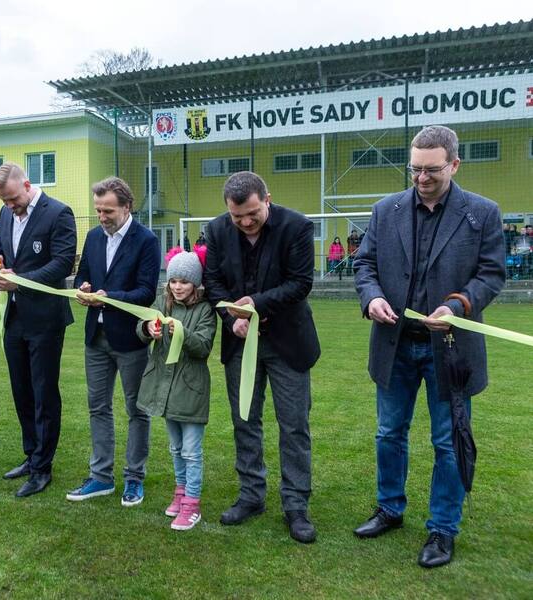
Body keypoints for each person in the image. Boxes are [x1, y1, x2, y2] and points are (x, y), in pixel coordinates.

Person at [353, 125, 506, 568]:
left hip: (452, 349)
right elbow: (364, 264)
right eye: (415, 169)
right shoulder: (386, 210)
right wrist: (372, 297)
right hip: (395, 344)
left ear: (454, 164)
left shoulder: (482, 213)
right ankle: (389, 508)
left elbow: (493, 274)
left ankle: (442, 529)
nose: (421, 178)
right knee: (388, 433)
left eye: (431, 170)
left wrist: (458, 304)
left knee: (446, 441)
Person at [204, 171, 320, 544]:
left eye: (252, 213)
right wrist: (231, 318)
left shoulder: (297, 227)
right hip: (240, 343)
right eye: (237, 217)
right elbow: (214, 283)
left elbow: (300, 283)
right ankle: (251, 495)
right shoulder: (217, 230)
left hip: (287, 341)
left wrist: (255, 306)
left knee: (294, 424)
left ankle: (295, 504)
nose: (246, 222)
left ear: (267, 198)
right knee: (245, 421)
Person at [67, 176, 160, 506]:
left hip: (131, 338)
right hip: (96, 337)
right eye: (98, 211)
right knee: (98, 407)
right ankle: (101, 477)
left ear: (127, 207)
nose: (102, 217)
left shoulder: (146, 240)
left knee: (137, 410)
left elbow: (146, 292)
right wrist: (85, 289)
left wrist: (109, 297)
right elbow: (83, 276)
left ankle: (134, 478)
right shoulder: (93, 237)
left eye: (108, 211)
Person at [0, 162, 76, 498]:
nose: (9, 206)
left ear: (27, 184)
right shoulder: (6, 213)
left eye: (12, 198)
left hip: (45, 318)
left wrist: (19, 281)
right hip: (15, 317)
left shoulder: (58, 213)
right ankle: (31, 455)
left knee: (43, 393)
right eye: (4, 201)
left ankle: (43, 467)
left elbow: (62, 263)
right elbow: (0, 248)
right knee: (21, 390)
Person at [136, 247, 216, 530]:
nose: (178, 286)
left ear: (195, 282)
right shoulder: (162, 302)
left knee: (192, 451)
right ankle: (180, 493)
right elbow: (141, 327)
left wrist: (179, 330)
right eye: (173, 281)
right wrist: (149, 329)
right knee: (175, 447)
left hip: (190, 389)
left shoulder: (205, 309)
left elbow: (203, 347)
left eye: (184, 281)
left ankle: (192, 504)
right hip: (165, 387)